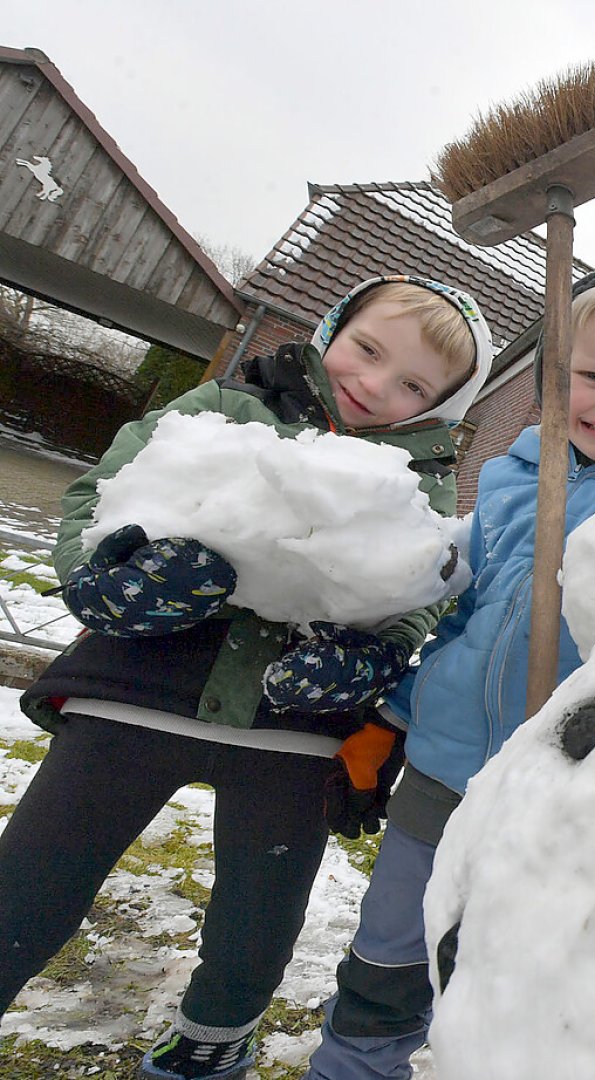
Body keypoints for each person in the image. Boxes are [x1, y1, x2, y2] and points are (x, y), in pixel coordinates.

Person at [0, 277, 496, 1080]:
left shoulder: (419, 484)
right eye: (367, 351)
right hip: (139, 695)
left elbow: (418, 596)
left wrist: (368, 658)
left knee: (257, 923)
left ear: (437, 404)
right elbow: (100, 496)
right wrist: (108, 570)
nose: (372, 385)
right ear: (332, 326)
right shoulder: (225, 410)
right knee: (32, 880)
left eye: (411, 385)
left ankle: (212, 1042)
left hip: (292, 732)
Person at [302, 255, 595, 1080]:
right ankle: (352, 1066)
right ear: (550, 380)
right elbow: (464, 614)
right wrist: (393, 719)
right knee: (387, 947)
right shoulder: (504, 478)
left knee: (506, 964)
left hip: (561, 784)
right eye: (591, 376)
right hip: (443, 768)